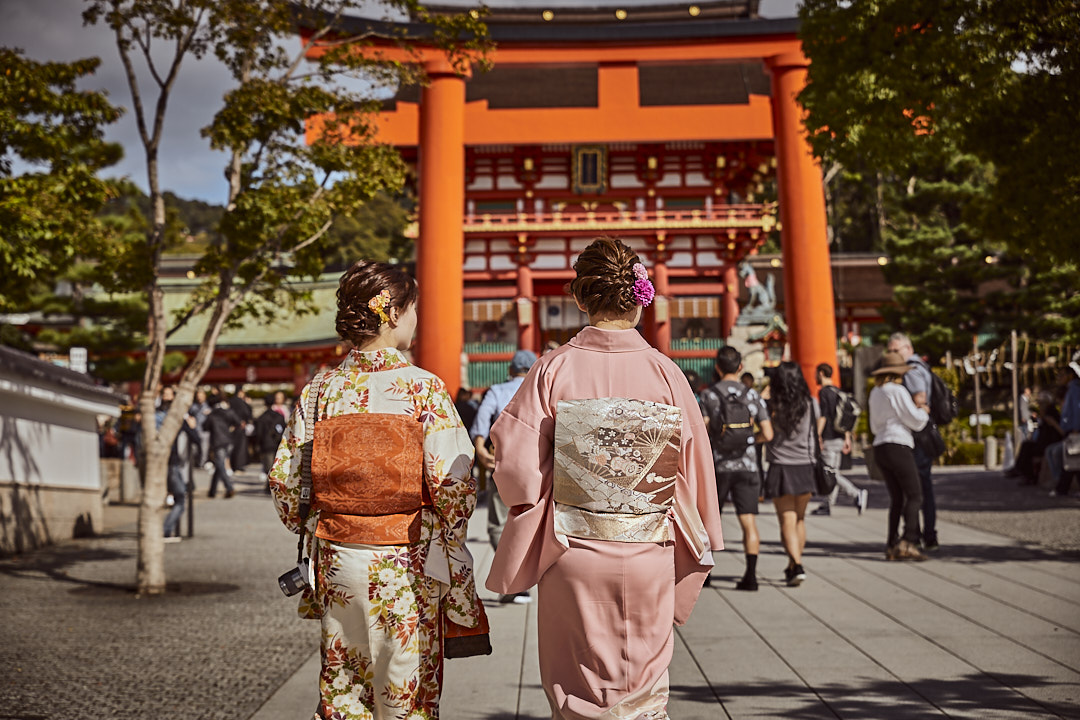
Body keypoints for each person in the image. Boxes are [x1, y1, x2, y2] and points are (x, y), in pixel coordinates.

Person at [485, 237, 723, 719]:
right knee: (645, 691)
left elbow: (513, 466)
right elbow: (696, 469)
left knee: (576, 693)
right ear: (639, 298)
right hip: (647, 551)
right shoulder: (666, 373)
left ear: (579, 297)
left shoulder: (552, 368)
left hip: (573, 552)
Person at [269, 260, 480, 720]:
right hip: (407, 559)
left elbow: (286, 483)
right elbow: (455, 484)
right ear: (394, 313)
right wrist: (450, 537)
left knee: (344, 685)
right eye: (413, 310)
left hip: (338, 556)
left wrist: (313, 523)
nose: (417, 320)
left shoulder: (320, 389)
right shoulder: (422, 388)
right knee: (406, 688)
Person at [700, 345, 773, 591]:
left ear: (718, 367)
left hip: (718, 467)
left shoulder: (709, 395)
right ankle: (750, 576)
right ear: (740, 367)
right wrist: (751, 441)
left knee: (711, 520)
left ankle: (706, 574)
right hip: (748, 465)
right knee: (748, 522)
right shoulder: (752, 396)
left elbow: (703, 430)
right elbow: (768, 433)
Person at [470, 349, 538, 604]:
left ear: (511, 370)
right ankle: (521, 580)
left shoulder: (497, 391)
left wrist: (479, 448)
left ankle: (516, 583)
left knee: (498, 524)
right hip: (537, 467)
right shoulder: (538, 391)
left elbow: (482, 419)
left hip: (505, 463)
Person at [868, 351, 930, 561]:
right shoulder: (897, 390)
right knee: (915, 494)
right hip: (898, 444)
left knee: (897, 498)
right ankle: (908, 541)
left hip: (881, 446)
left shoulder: (875, 392)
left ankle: (891, 542)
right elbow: (913, 419)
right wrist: (923, 412)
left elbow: (874, 425)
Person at [762, 362, 817, 587]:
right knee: (800, 519)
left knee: (787, 519)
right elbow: (813, 435)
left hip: (781, 465)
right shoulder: (810, 403)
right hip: (805, 465)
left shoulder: (770, 404)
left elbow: (765, 432)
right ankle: (794, 564)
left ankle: (797, 564)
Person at [887, 332, 939, 551]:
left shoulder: (911, 370)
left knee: (916, 489)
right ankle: (925, 533)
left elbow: (920, 400)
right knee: (921, 487)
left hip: (917, 435)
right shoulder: (922, 367)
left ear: (908, 348)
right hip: (921, 434)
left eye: (895, 351)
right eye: (889, 351)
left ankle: (920, 534)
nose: (892, 355)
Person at [811, 363, 869, 516]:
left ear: (822, 373)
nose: (815, 377)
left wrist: (817, 435)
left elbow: (824, 416)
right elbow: (844, 418)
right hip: (840, 437)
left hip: (829, 437)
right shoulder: (838, 391)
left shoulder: (824, 392)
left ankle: (856, 494)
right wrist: (847, 438)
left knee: (830, 473)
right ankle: (827, 504)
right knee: (832, 471)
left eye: (816, 374)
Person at [157, 386, 198, 541]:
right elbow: (195, 438)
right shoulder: (176, 417)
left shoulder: (154, 415)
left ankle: (165, 529)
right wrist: (192, 426)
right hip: (171, 462)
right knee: (181, 498)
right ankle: (165, 530)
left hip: (158, 461)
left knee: (170, 496)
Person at [1047, 359, 1080, 497]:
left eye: (1061, 375)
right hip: (1072, 429)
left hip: (1074, 431)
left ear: (1070, 375)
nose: (1059, 378)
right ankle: (1062, 487)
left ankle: (1061, 488)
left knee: (1070, 458)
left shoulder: (1075, 388)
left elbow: (1078, 409)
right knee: (1072, 459)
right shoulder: (1071, 389)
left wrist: (1076, 429)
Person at [205, 397, 240, 498]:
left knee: (220, 465)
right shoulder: (228, 412)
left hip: (217, 442)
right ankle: (212, 491)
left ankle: (229, 487)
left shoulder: (212, 414)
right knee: (218, 465)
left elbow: (205, 427)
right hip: (228, 440)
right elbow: (238, 422)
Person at [254, 395, 287, 493]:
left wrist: (257, 445)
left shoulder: (261, 418)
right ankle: (275, 486)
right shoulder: (279, 417)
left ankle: (270, 487)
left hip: (266, 445)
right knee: (277, 466)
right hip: (277, 444)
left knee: (268, 467)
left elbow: (258, 434)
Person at [228, 387, 253, 473]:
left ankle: (233, 465)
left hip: (232, 427)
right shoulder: (242, 402)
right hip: (240, 426)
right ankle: (239, 465)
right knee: (240, 447)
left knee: (233, 447)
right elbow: (247, 413)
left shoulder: (230, 401)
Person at [188, 388, 212, 467]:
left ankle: (202, 463)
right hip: (195, 430)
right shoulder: (193, 406)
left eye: (201, 396)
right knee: (194, 449)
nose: (199, 398)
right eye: (198, 396)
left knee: (204, 449)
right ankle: (195, 463)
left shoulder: (208, 406)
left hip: (205, 431)